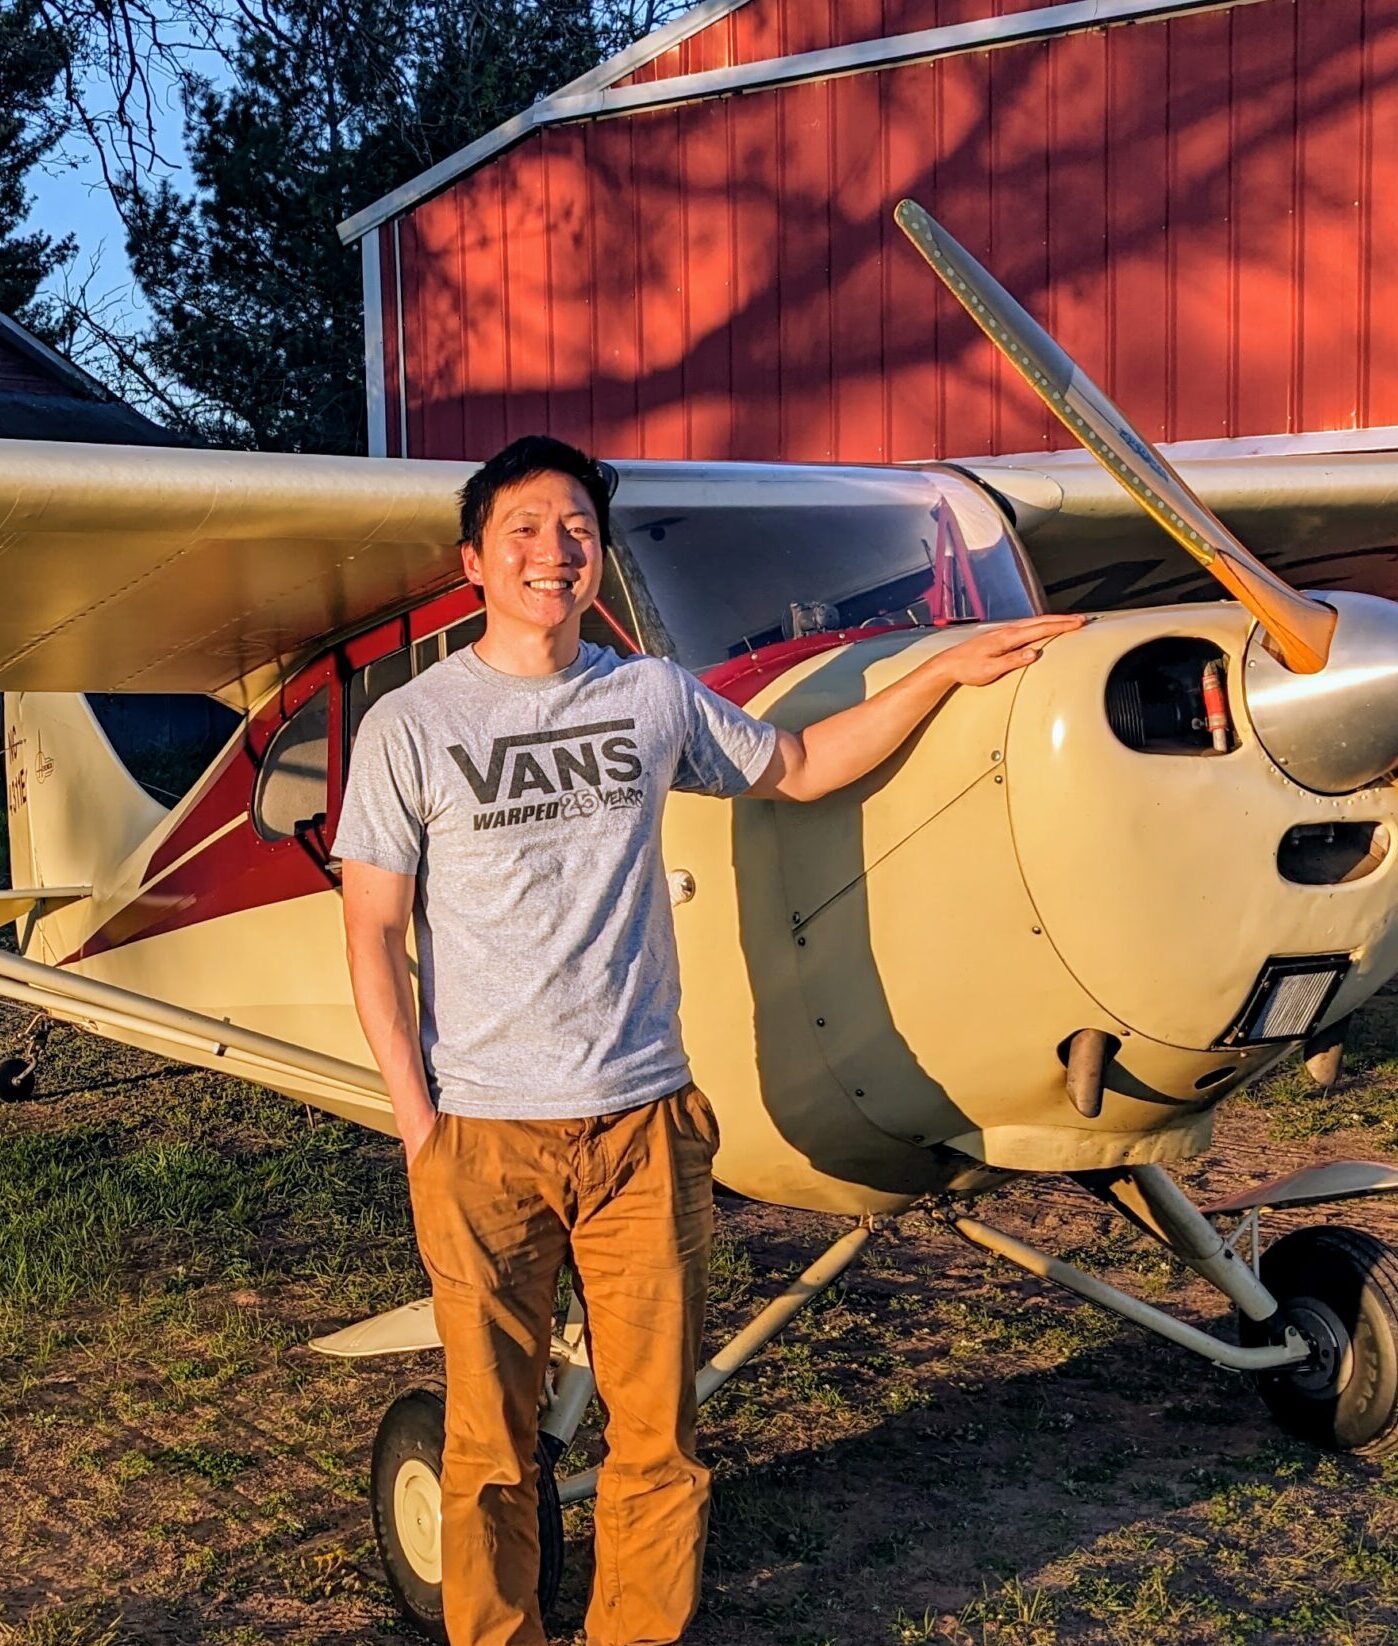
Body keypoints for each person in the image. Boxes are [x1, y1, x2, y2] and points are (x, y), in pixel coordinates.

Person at [334, 434, 1083, 1646]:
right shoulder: (410, 725)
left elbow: (802, 763)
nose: (553, 551)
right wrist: (423, 1127)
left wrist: (946, 672)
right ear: (473, 560)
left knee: (658, 1439)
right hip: (485, 1134)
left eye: (577, 529)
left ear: (598, 556)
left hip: (645, 1123)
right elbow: (373, 930)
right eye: (524, 528)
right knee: (488, 1445)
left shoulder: (650, 695)